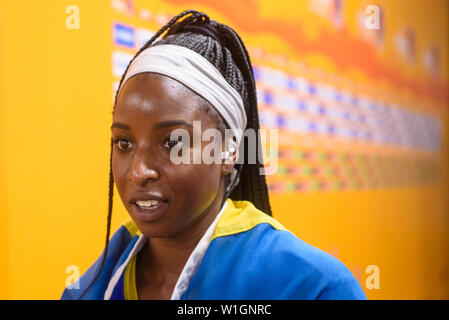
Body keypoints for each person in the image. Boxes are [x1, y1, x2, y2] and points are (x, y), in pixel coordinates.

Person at [60, 10, 367, 300]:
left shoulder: (311, 287)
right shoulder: (91, 288)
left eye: (172, 142)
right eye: (124, 142)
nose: (138, 172)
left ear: (228, 150)